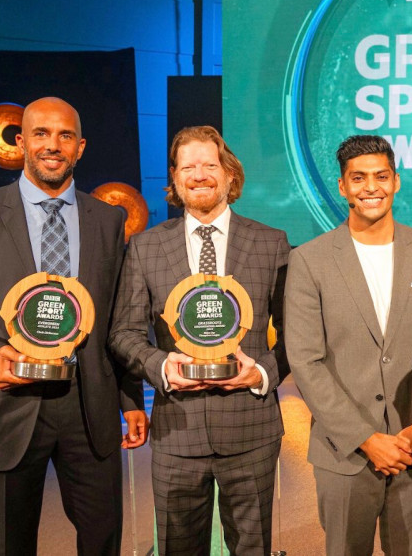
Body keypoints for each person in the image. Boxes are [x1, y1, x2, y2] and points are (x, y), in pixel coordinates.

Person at [0, 96, 147, 555]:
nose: (53, 145)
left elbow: (118, 318)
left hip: (87, 404)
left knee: (102, 540)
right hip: (5, 403)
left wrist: (130, 399)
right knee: (7, 544)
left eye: (65, 135)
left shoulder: (108, 220)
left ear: (81, 146)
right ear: (21, 141)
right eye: (42, 133)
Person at [109, 125, 290, 555]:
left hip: (252, 428)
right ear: (174, 179)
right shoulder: (146, 248)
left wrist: (262, 373)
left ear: (230, 174)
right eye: (188, 166)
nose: (199, 174)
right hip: (178, 432)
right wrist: (162, 367)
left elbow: (297, 334)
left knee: (252, 547)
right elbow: (124, 333)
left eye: (210, 164)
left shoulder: (271, 242)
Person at [285, 135, 412, 555]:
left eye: (380, 176)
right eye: (358, 178)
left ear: (396, 181)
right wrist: (365, 438)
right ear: (342, 186)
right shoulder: (309, 259)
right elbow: (305, 361)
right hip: (344, 454)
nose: (370, 187)